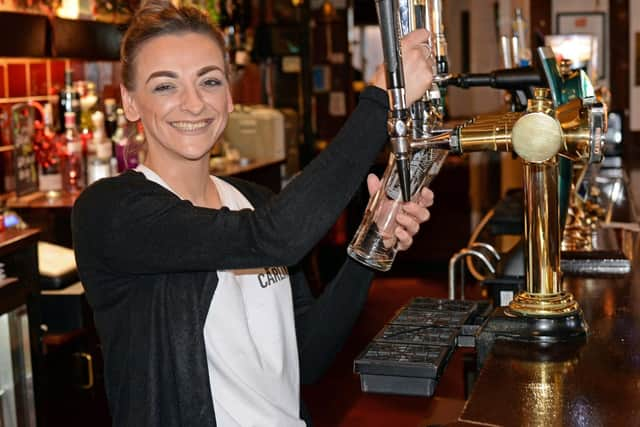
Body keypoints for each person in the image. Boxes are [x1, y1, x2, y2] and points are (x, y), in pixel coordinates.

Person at [71, 1, 435, 426]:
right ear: (130, 103)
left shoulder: (255, 203)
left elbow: (308, 357)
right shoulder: (110, 211)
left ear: (228, 95)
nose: (193, 104)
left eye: (208, 81)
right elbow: (275, 237)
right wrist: (379, 103)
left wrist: (373, 237)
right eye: (165, 86)